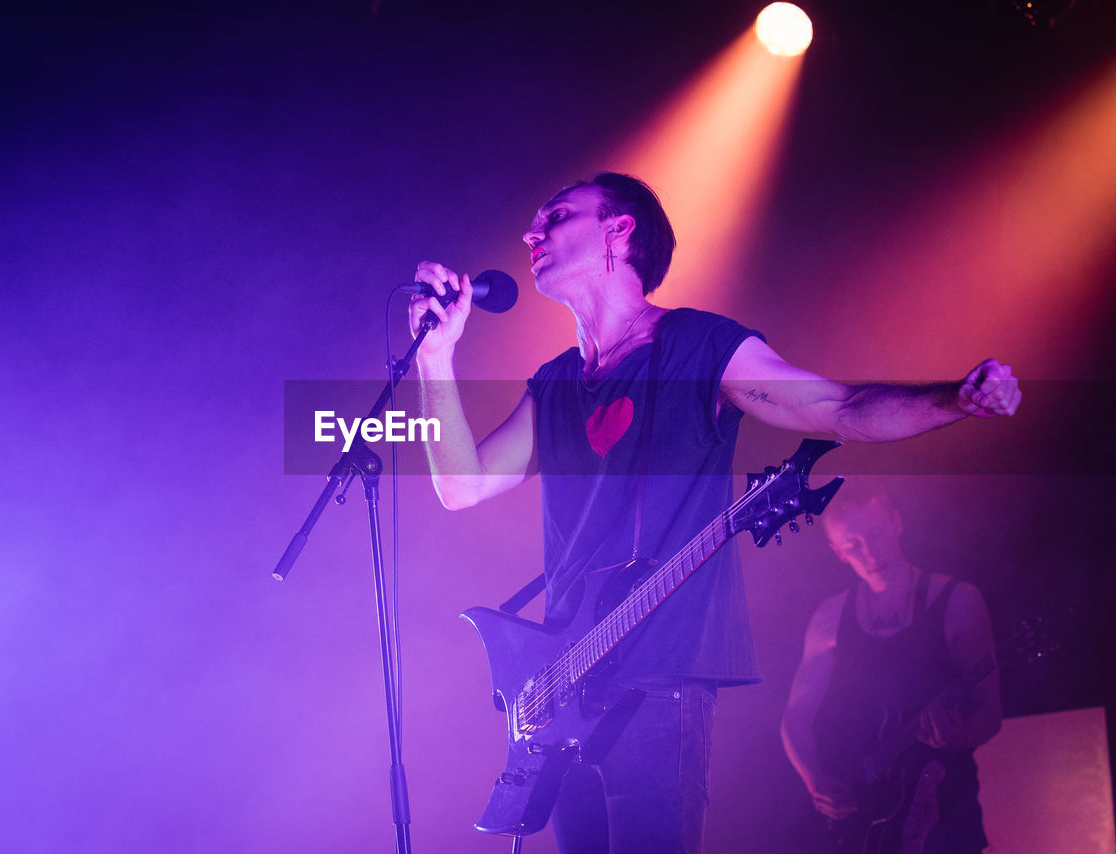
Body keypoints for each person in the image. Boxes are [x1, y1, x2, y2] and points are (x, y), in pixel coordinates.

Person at [407, 172, 1019, 854]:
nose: (532, 233)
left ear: (619, 229)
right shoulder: (554, 384)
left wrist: (951, 400)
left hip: (659, 678)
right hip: (568, 691)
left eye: (556, 215)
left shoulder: (700, 347)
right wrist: (437, 357)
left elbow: (836, 409)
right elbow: (460, 485)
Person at [781, 480, 1001, 853]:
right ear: (838, 552)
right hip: (865, 818)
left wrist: (960, 737)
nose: (869, 551)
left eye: (876, 533)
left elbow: (990, 711)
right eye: (853, 544)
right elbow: (796, 717)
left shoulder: (958, 602)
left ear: (897, 523)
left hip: (945, 811)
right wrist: (815, 780)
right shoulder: (829, 618)